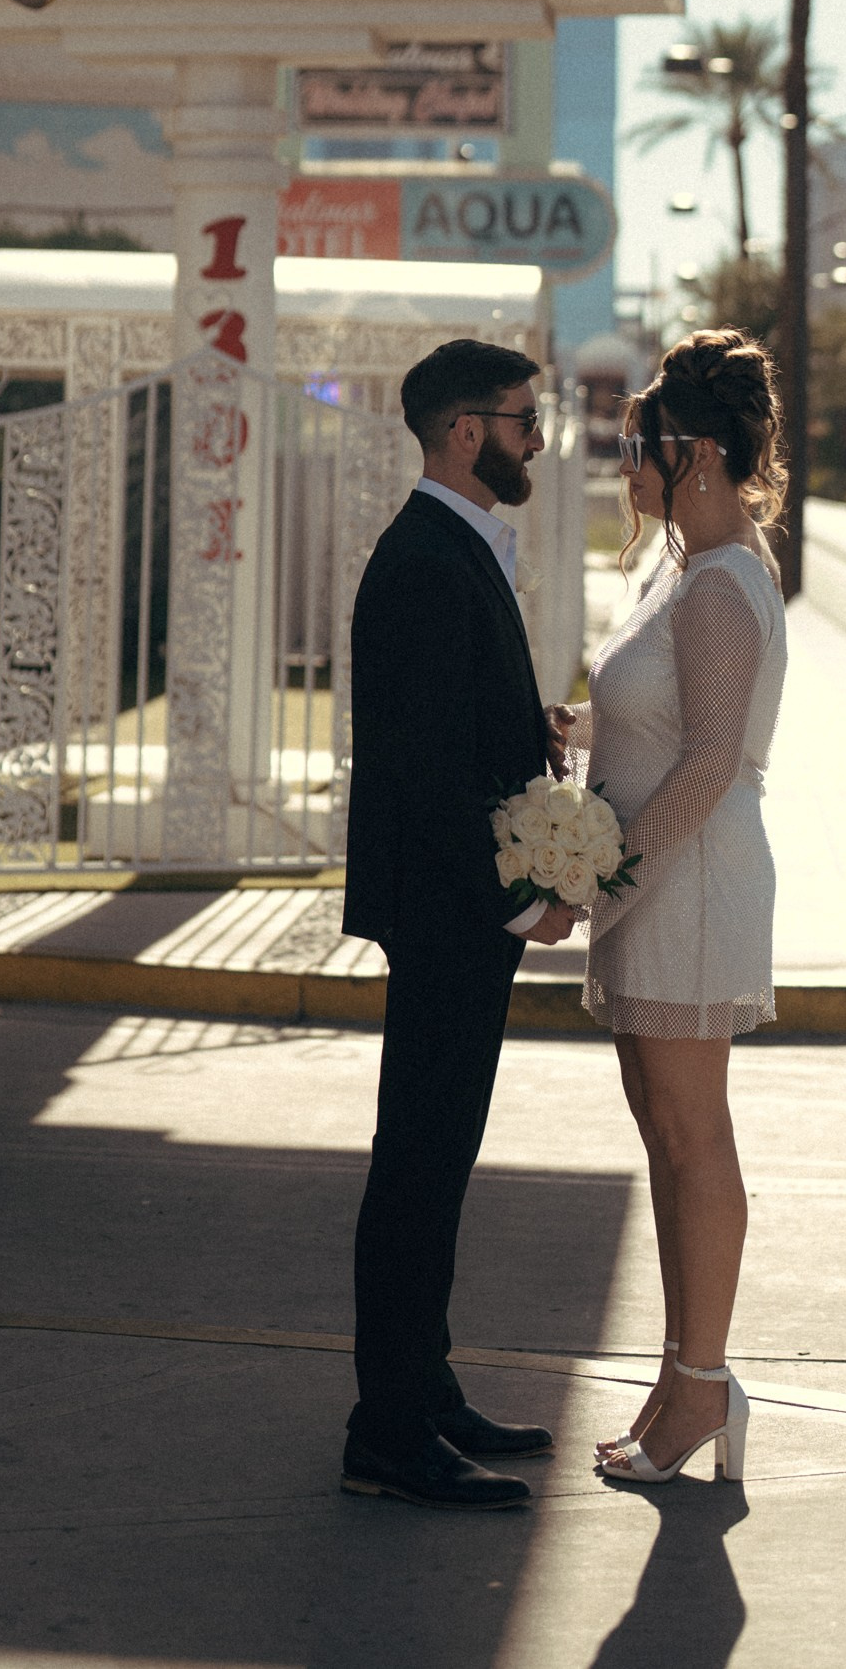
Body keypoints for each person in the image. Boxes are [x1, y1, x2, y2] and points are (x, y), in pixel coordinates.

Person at [340, 336, 583, 1511]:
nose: (538, 438)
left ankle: (422, 1391)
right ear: (463, 432)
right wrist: (522, 897)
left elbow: (457, 725)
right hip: (446, 912)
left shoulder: (458, 547)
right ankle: (387, 1431)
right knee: (418, 1166)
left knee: (439, 1160)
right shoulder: (426, 558)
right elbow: (426, 772)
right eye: (523, 420)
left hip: (454, 911)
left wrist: (522, 725)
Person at [579, 329, 789, 1486]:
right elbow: (661, 725)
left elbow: (709, 763)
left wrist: (600, 872)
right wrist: (581, 741)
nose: (628, 470)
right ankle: (679, 1374)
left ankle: (700, 1386)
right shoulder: (681, 566)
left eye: (640, 449)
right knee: (664, 1134)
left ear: (696, 453)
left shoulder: (719, 585)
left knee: (691, 1134)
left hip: (689, 880)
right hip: (658, 879)